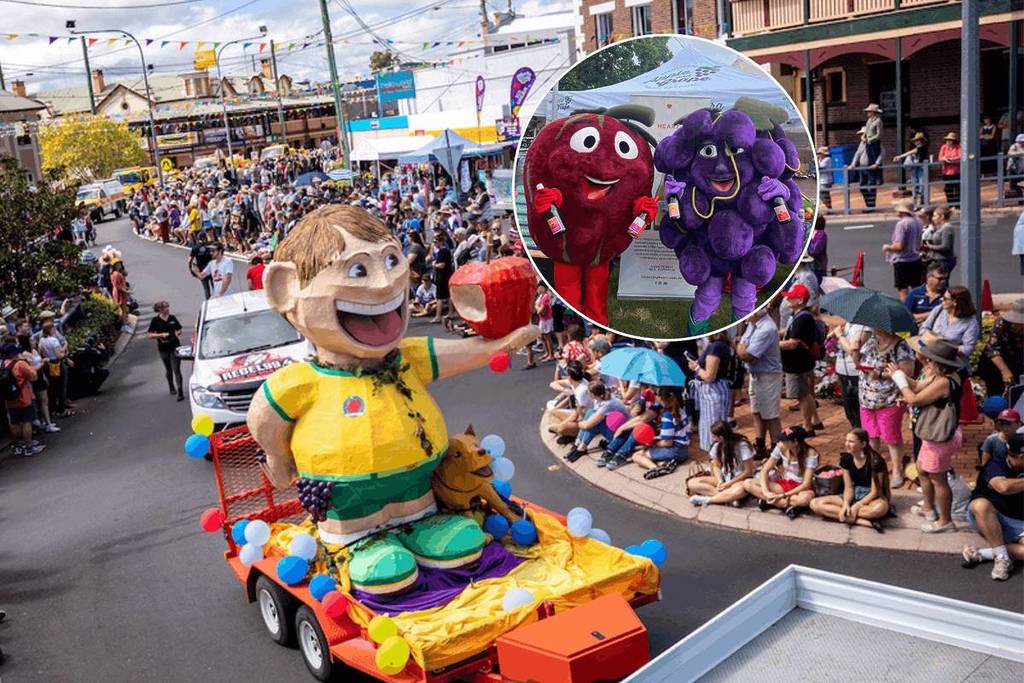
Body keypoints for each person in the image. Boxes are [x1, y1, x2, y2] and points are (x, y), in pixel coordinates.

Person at [889, 336, 965, 533]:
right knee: (922, 469)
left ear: (940, 363)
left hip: (939, 437)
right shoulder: (940, 377)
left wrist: (899, 380)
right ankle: (928, 508)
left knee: (939, 479)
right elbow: (917, 387)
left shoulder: (944, 382)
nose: (927, 362)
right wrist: (900, 375)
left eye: (931, 360)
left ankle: (945, 521)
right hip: (933, 434)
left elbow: (914, 399)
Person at [857, 327, 915, 487]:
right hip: (867, 398)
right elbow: (859, 361)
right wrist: (855, 349)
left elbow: (908, 372)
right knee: (870, 435)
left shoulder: (901, 345)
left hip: (889, 398)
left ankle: (897, 470)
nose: (871, 327)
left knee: (891, 437)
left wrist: (882, 374)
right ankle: (873, 467)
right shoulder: (870, 341)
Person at [961, 434, 1024, 581]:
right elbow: (1003, 487)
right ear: (1021, 457)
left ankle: (982, 553)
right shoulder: (995, 465)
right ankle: (1002, 559)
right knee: (980, 504)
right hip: (992, 518)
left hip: (1019, 522)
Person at [809, 428, 891, 532]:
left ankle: (846, 515)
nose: (846, 444)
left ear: (863, 444)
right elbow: (848, 488)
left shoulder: (875, 461)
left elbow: (875, 492)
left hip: (871, 496)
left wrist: (857, 506)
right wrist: (846, 504)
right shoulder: (846, 459)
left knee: (879, 509)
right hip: (854, 493)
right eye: (846, 440)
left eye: (851, 441)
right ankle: (862, 521)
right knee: (814, 503)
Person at [744, 426, 818, 519]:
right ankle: (785, 505)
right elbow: (765, 470)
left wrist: (783, 495)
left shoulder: (810, 453)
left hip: (800, 489)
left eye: (784, 440)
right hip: (785, 484)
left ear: (795, 442)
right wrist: (766, 492)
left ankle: (770, 502)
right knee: (748, 483)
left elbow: (806, 484)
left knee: (805, 499)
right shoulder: (780, 447)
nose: (781, 442)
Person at [736, 308, 782, 458]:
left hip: (768, 376)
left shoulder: (767, 328)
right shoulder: (753, 324)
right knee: (757, 412)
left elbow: (747, 355)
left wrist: (741, 348)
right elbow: (741, 345)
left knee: (771, 415)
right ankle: (760, 446)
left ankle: (777, 451)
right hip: (755, 375)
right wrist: (741, 348)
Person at [779, 284, 823, 435]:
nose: (788, 299)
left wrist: (772, 344)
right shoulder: (800, 315)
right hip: (802, 361)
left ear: (800, 300)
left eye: (791, 297)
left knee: (802, 396)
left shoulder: (801, 318)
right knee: (806, 393)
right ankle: (815, 420)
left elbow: (792, 343)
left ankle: (807, 426)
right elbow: (790, 332)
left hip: (797, 363)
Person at [687, 420, 754, 507]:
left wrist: (729, 483)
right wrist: (720, 481)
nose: (713, 439)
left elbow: (748, 471)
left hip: (739, 479)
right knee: (692, 483)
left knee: (739, 490)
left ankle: (708, 500)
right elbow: (716, 465)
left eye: (714, 436)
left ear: (721, 437)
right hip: (724, 477)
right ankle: (727, 498)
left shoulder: (742, 446)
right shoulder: (716, 446)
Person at [689, 331, 733, 453]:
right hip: (714, 391)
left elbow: (709, 376)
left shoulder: (716, 347)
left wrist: (696, 368)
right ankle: (717, 457)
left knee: (713, 430)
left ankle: (716, 458)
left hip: (713, 391)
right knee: (714, 427)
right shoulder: (719, 344)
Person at [563, 381, 628, 463]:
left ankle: (581, 448)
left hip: (620, 435)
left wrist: (577, 423)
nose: (586, 393)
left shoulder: (607, 405)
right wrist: (580, 411)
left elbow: (587, 425)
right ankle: (578, 444)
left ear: (593, 395)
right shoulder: (599, 398)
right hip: (613, 428)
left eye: (588, 392)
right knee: (591, 412)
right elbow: (589, 418)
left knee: (595, 423)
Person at [630, 386, 690, 474]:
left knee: (636, 455)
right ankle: (664, 463)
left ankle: (655, 468)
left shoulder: (667, 415)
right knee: (654, 455)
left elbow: (667, 443)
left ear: (662, 398)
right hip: (684, 450)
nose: (655, 396)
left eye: (656, 394)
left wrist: (654, 443)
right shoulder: (680, 410)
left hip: (675, 450)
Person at [2, 340, 45, 456]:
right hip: (23, 396)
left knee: (15, 423)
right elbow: (34, 376)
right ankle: (29, 447)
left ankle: (17, 446)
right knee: (26, 421)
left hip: (9, 398)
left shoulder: (2, 364)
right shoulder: (20, 364)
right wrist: (29, 363)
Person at [977, 300, 1023, 398]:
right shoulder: (1001, 322)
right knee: (997, 393)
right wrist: (1004, 371)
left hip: (1018, 359)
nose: (1016, 325)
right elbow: (992, 349)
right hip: (996, 362)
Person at [920, 286, 980, 360]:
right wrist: (930, 337)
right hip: (931, 358)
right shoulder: (939, 310)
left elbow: (968, 349)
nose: (941, 299)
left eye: (945, 298)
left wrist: (945, 348)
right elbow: (924, 327)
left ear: (955, 302)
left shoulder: (970, 323)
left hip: (952, 362)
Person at [883, 199, 924, 302]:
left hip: (902, 260)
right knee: (916, 288)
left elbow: (899, 246)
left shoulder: (902, 224)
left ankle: (906, 309)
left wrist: (887, 247)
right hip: (916, 258)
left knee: (903, 290)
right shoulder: (918, 221)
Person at [831, 318, 868, 429]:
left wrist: (840, 335)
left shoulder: (864, 326)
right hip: (842, 369)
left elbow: (853, 350)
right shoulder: (848, 324)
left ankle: (862, 433)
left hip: (856, 371)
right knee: (848, 405)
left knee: (858, 406)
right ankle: (855, 429)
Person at [147, 301, 184, 401]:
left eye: (168, 307)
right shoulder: (155, 321)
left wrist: (178, 333)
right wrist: (161, 335)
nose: (167, 309)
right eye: (165, 308)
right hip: (163, 348)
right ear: (160, 310)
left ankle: (180, 391)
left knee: (176, 369)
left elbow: (179, 329)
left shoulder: (172, 318)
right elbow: (149, 335)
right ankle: (171, 386)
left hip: (175, 346)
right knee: (169, 369)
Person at [893, 131, 929, 203]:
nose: (916, 142)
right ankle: (916, 201)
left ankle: (920, 201)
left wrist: (899, 157)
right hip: (915, 168)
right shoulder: (916, 148)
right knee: (915, 183)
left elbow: (911, 152)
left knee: (921, 184)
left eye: (917, 140)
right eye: (915, 141)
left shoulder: (923, 147)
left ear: (921, 141)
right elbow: (911, 153)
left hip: (921, 168)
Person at [921, 205, 956, 274]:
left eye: (935, 216)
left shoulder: (947, 228)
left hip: (943, 260)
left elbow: (946, 246)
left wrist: (930, 246)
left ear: (942, 217)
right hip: (938, 259)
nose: (933, 218)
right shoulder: (941, 227)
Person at [430, 231, 453, 324]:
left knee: (439, 297)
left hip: (442, 276)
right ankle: (450, 312)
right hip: (447, 275)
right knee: (448, 295)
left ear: (440, 242)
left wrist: (434, 265)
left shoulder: (442, 251)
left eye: (436, 242)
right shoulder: (445, 250)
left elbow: (442, 265)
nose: (434, 244)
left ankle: (438, 316)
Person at [534, 283, 556, 364]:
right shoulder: (540, 296)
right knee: (542, 336)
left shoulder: (546, 297)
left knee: (547, 337)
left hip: (547, 319)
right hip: (542, 319)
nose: (538, 289)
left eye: (540, 287)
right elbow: (536, 306)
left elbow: (540, 310)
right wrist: (538, 307)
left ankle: (551, 354)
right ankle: (547, 352)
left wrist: (538, 308)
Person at [188, 234, 215, 299]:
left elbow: (189, 260)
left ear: (198, 239)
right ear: (205, 237)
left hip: (202, 270)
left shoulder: (195, 248)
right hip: (212, 269)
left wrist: (190, 270)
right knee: (215, 286)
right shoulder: (211, 246)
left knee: (206, 288)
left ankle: (208, 302)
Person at [937, 133, 962, 204]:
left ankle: (958, 204)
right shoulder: (943, 147)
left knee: (957, 188)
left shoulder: (958, 147)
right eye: (947, 140)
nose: (948, 141)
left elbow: (960, 156)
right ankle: (950, 204)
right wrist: (944, 158)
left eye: (950, 140)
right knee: (948, 189)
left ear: (954, 141)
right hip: (946, 171)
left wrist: (950, 159)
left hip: (956, 171)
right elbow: (940, 157)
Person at [807, 214, 828, 284]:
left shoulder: (821, 235)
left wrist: (808, 242)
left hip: (818, 268)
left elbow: (814, 251)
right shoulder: (811, 232)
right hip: (810, 266)